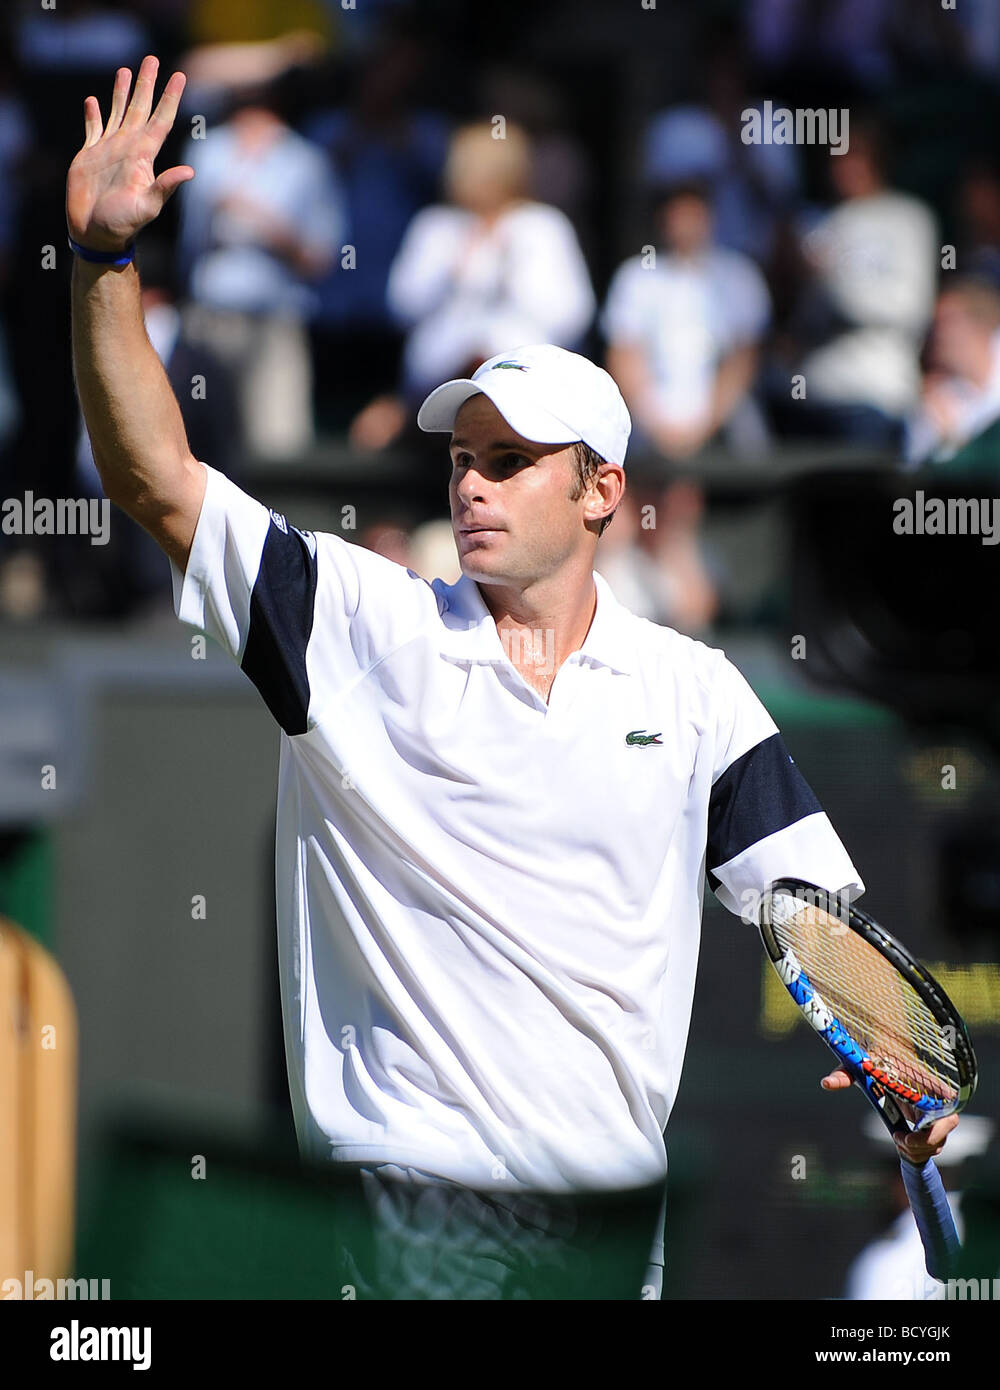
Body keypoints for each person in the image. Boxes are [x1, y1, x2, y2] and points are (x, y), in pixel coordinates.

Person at [66, 57, 958, 1300]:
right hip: (401, 1227)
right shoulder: (357, 623)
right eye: (463, 456)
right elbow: (158, 478)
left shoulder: (694, 694)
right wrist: (105, 266)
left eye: (511, 458)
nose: (470, 481)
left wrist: (898, 1064)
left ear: (600, 491)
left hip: (603, 1254)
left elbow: (814, 921)